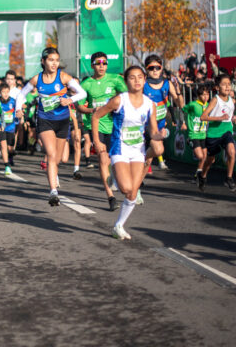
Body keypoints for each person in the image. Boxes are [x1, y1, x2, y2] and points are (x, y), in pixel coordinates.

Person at [92, 65, 168, 240]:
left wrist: (159, 135)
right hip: (120, 148)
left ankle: (119, 225)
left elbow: (153, 130)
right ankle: (114, 174)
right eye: (132, 77)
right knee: (126, 187)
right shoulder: (120, 100)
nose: (137, 81)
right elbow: (96, 116)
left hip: (138, 150)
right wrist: (97, 141)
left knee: (133, 192)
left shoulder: (150, 104)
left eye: (140, 77)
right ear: (126, 81)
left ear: (144, 80)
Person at [16, 47, 87, 206]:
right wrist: (19, 108)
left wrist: (70, 100)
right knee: (51, 153)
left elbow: (82, 93)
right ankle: (53, 192)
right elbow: (21, 94)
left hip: (62, 120)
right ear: (43, 61)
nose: (54, 63)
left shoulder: (63, 77)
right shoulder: (37, 79)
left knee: (60, 158)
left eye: (56, 60)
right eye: (51, 60)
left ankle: (54, 175)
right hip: (44, 119)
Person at [77, 52, 127, 211]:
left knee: (119, 161)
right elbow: (79, 106)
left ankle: (124, 183)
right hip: (97, 127)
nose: (101, 66)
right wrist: (93, 110)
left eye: (104, 63)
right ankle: (110, 197)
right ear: (92, 65)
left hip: (116, 127)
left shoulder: (115, 79)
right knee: (103, 160)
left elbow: (128, 96)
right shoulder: (86, 84)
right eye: (98, 63)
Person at [199, 74, 236, 192]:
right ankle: (203, 176)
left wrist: (234, 120)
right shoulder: (215, 100)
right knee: (210, 160)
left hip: (226, 130)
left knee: (232, 151)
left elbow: (230, 116)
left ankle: (229, 178)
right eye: (224, 84)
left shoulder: (232, 100)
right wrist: (219, 118)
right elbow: (203, 117)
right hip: (213, 133)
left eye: (229, 84)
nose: (227, 87)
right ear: (217, 87)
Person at [142, 54, 183, 175]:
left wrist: (178, 90)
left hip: (160, 122)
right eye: (151, 68)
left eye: (157, 67)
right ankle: (139, 168)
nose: (155, 70)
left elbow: (180, 104)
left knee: (153, 155)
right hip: (145, 123)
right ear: (146, 69)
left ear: (161, 68)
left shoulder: (167, 84)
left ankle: (138, 181)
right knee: (157, 149)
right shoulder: (143, 84)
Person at [181, 83, 210, 185]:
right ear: (198, 96)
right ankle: (199, 176)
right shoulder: (193, 104)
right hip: (194, 135)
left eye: (207, 94)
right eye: (203, 95)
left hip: (203, 135)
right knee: (201, 157)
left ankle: (196, 176)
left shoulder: (208, 105)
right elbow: (182, 110)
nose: (205, 97)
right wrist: (183, 122)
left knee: (205, 158)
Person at [0, 82, 18, 176]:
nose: (5, 94)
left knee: (10, 148)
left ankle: (11, 155)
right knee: (4, 146)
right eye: (3, 92)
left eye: (7, 92)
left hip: (11, 127)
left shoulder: (13, 101)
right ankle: (7, 166)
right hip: (1, 127)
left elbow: (18, 111)